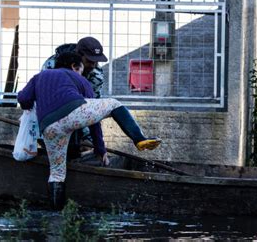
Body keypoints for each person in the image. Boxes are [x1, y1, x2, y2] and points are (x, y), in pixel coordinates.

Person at [17, 51, 161, 210]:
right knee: (114, 104)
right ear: (75, 66)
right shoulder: (80, 79)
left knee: (57, 173)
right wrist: (100, 148)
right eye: (81, 68)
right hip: (73, 114)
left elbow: (23, 99)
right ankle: (139, 139)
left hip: (49, 127)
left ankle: (55, 215)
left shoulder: (39, 77)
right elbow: (94, 122)